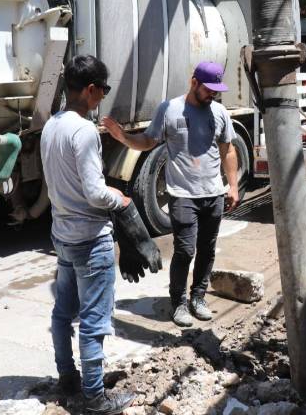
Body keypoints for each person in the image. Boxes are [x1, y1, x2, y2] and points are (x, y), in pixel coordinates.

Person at [102, 61, 240, 327]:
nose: (212, 94)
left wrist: (232, 186)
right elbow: (148, 141)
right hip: (182, 194)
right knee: (185, 250)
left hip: (214, 194)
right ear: (193, 82)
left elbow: (228, 150)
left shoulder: (220, 112)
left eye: (216, 90)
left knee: (207, 249)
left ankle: (198, 297)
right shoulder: (169, 109)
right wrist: (124, 138)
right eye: (208, 89)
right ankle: (179, 302)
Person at [41, 55, 135, 415]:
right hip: (90, 238)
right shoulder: (83, 131)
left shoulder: (52, 125)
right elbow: (95, 193)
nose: (103, 97)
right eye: (103, 90)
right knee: (95, 322)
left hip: (63, 235)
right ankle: (95, 397)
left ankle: (68, 379)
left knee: (63, 313)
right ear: (90, 89)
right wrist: (120, 199)